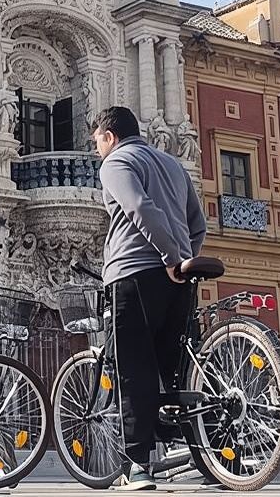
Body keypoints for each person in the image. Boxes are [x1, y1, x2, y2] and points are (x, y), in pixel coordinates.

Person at [91, 106, 206, 491]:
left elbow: (139, 207)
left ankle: (136, 466)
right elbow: (197, 222)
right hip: (179, 280)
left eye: (97, 143)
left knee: (133, 368)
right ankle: (208, 454)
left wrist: (170, 257)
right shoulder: (173, 165)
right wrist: (183, 260)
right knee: (175, 370)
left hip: (134, 274)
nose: (96, 152)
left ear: (109, 136)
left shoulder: (116, 162)